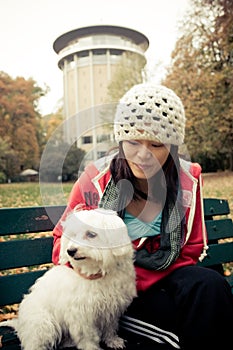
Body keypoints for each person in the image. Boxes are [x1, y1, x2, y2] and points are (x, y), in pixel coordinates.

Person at [52, 84, 233, 350]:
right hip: (110, 288)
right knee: (185, 322)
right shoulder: (95, 180)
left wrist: (147, 279)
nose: (143, 154)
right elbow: (61, 244)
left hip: (166, 272)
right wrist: (92, 268)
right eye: (133, 141)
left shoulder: (187, 178)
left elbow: (192, 248)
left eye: (156, 144)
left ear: (171, 146)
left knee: (211, 286)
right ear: (121, 139)